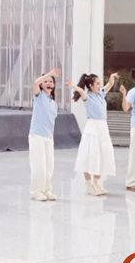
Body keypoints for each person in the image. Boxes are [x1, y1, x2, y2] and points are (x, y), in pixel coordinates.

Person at [69, 72, 117, 197]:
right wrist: (73, 85)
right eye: (97, 84)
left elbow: (109, 84)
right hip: (92, 128)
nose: (100, 86)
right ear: (91, 85)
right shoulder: (88, 97)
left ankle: (96, 182)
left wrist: (111, 78)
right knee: (90, 154)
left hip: (102, 128)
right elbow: (81, 91)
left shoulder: (100, 93)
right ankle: (88, 185)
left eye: (100, 83)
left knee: (101, 155)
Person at [27, 69, 61, 201]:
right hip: (37, 136)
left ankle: (47, 190)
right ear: (42, 85)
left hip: (48, 137)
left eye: (51, 81)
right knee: (39, 165)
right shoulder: (39, 96)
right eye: (45, 81)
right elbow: (35, 83)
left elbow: (52, 121)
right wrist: (49, 74)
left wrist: (51, 136)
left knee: (49, 165)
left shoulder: (53, 103)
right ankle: (36, 191)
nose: (48, 83)